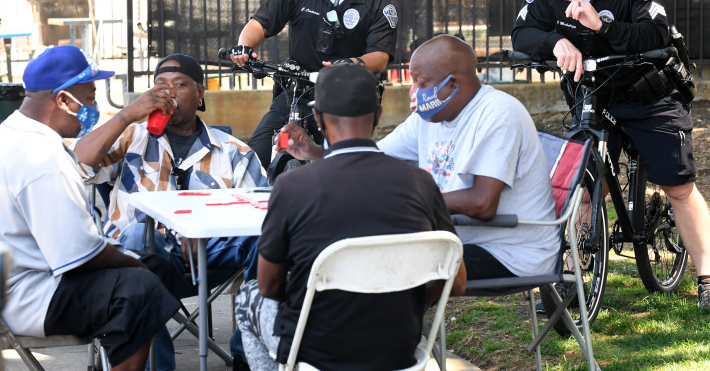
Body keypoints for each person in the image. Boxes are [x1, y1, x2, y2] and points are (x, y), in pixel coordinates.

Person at [511, 0, 710, 313]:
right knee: (582, 185)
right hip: (593, 93)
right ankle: (572, 278)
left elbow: (656, 31)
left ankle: (707, 278)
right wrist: (555, 43)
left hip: (649, 92)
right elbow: (522, 30)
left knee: (678, 187)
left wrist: (603, 28)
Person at [234, 63, 466, 371]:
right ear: (379, 115)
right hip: (399, 352)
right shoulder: (420, 183)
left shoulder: (292, 187)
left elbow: (268, 286)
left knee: (247, 296)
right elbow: (456, 280)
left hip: (314, 354)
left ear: (317, 117)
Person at [282, 35, 559, 281]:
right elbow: (368, 161)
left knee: (386, 268)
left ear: (452, 84)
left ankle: (397, 338)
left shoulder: (498, 114)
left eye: (421, 82)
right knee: (356, 254)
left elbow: (482, 203)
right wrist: (314, 153)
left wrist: (402, 202)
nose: (414, 91)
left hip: (511, 252)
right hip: (452, 239)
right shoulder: (429, 118)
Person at [0, 45, 190, 371]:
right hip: (28, 297)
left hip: (27, 274)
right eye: (88, 99)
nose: (94, 107)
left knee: (158, 269)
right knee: (141, 287)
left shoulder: (11, 134)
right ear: (62, 100)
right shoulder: (42, 158)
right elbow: (77, 255)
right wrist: (134, 266)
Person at [74, 53, 268, 371]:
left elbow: (261, 213)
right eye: (160, 85)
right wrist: (128, 114)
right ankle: (154, 366)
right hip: (138, 256)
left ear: (200, 92)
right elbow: (76, 166)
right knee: (136, 235)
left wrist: (202, 229)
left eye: (180, 84)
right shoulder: (130, 139)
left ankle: (249, 357)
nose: (169, 92)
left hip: (208, 255)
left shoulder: (233, 152)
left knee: (269, 238)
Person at [228, 0, 398, 169]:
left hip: (343, 101)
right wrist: (245, 46)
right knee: (257, 157)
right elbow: (259, 23)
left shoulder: (377, 5)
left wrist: (351, 63)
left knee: (340, 166)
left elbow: (380, 55)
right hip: (295, 91)